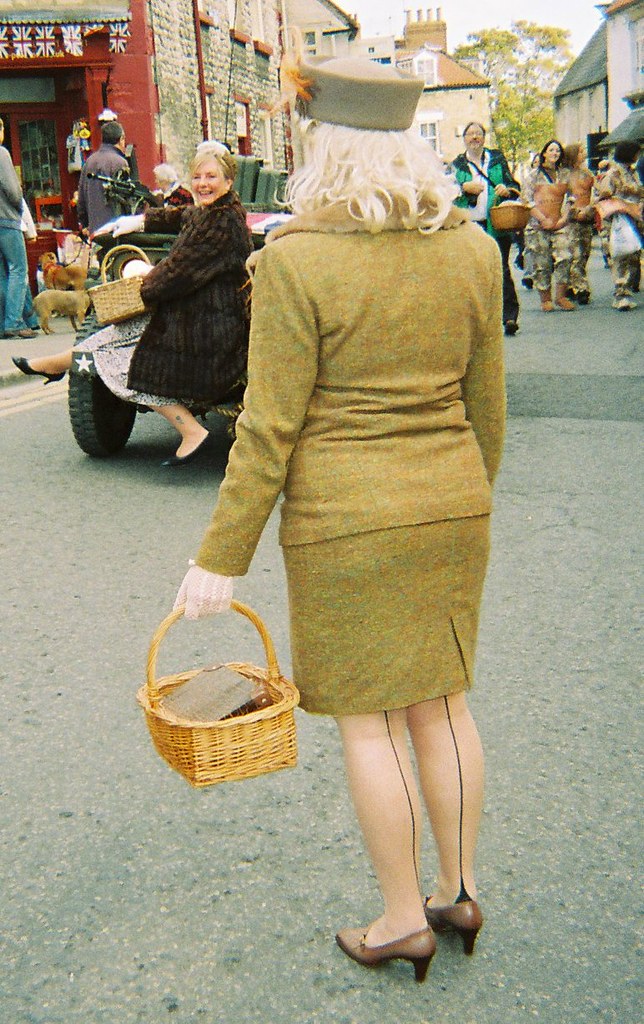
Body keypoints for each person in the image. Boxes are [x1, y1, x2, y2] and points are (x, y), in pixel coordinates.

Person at [173, 56, 506, 981]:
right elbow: (489, 414)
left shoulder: (295, 262)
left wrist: (220, 555)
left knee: (371, 725)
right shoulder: (474, 250)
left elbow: (269, 427)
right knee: (442, 705)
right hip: (453, 505)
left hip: (345, 522)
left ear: (326, 149)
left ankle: (402, 918)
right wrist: (458, 501)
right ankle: (461, 888)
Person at [12, 146, 251, 465]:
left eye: (211, 177)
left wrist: (144, 280)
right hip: (194, 312)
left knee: (124, 361)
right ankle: (55, 363)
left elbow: (179, 272)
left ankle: (191, 430)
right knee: (118, 331)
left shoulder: (222, 224)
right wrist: (137, 221)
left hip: (213, 326)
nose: (203, 183)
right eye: (197, 176)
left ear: (229, 181)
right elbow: (182, 215)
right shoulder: (214, 212)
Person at [452, 122, 521, 335]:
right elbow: (444, 191)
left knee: (500, 268)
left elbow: (515, 186)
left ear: (483, 138)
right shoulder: (457, 165)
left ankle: (509, 317)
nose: (475, 137)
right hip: (469, 226)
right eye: (470, 134)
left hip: (496, 224)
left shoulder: (497, 160)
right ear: (464, 138)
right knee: (470, 272)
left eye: (478, 134)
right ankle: (474, 319)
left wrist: (506, 189)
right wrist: (463, 188)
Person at [521, 139, 574, 313]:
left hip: (560, 223)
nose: (554, 153)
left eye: (557, 151)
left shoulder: (565, 175)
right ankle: (545, 299)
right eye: (551, 150)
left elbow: (571, 198)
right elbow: (526, 201)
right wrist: (542, 219)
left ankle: (561, 296)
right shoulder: (533, 175)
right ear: (544, 153)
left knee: (565, 256)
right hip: (538, 225)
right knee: (541, 261)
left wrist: (565, 217)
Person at [0, 117, 39, 339]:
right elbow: (14, 191)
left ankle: (6, 322)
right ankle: (14, 321)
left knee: (2, 273)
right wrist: (18, 210)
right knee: (18, 270)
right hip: (6, 219)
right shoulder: (2, 153)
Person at [595, 141, 643, 311]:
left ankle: (627, 291)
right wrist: (622, 206)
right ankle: (620, 294)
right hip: (618, 219)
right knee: (620, 256)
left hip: (635, 219)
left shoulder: (633, 172)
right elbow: (602, 199)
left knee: (632, 256)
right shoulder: (612, 175)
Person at [76, 121, 130, 237]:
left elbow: (81, 197)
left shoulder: (89, 161)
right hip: (116, 229)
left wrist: (85, 224)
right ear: (121, 139)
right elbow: (128, 199)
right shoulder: (120, 162)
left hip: (95, 230)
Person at [561, 143, 595, 304]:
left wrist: (589, 210)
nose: (584, 153)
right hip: (571, 220)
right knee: (575, 254)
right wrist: (573, 212)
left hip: (586, 218)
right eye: (581, 151)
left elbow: (595, 193)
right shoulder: (564, 175)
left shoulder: (587, 173)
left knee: (584, 254)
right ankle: (582, 288)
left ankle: (570, 284)